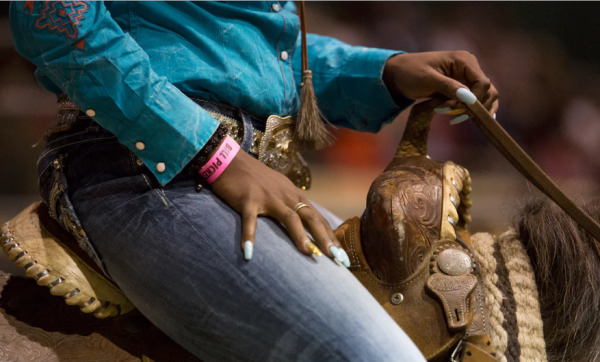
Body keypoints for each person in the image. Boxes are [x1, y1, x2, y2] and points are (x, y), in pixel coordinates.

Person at [10, 1, 498, 361]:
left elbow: (264, 58)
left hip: (245, 172)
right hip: (147, 169)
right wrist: (213, 153)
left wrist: (386, 71)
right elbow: (55, 18)